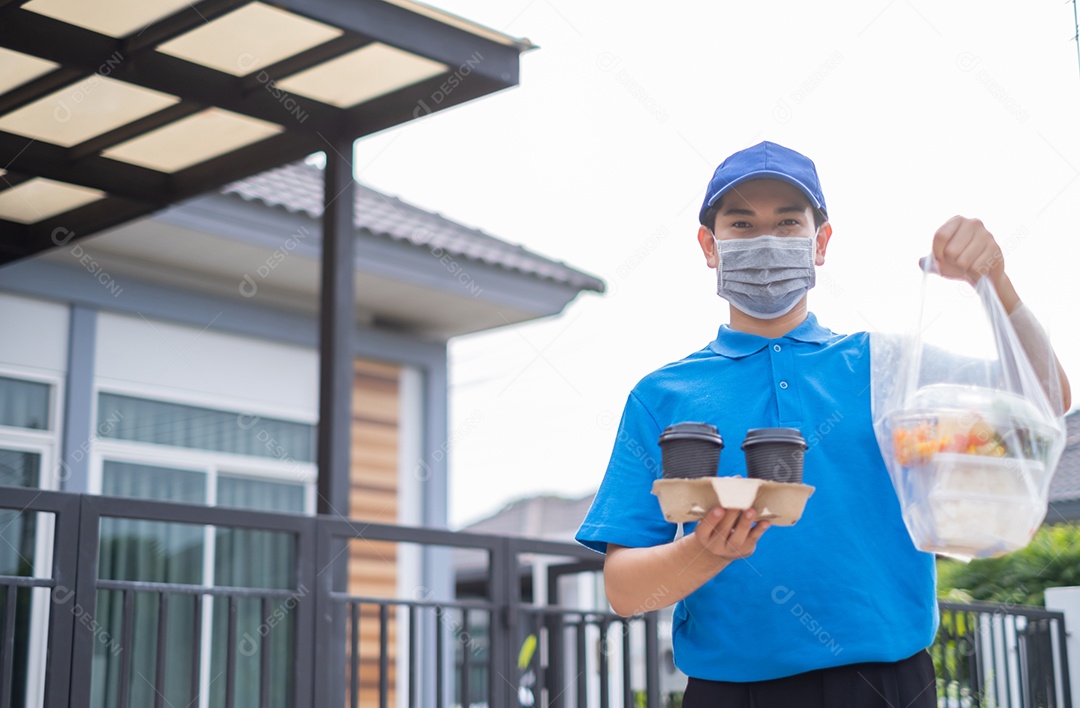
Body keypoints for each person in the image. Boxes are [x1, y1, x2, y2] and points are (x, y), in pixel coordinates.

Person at [575, 141, 1072, 707]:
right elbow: (624, 591)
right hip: (732, 693)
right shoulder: (662, 396)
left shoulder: (885, 366)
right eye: (742, 224)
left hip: (889, 684)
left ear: (821, 242)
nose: (766, 240)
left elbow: (1045, 396)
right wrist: (707, 551)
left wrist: (993, 282)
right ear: (709, 246)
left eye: (788, 223)